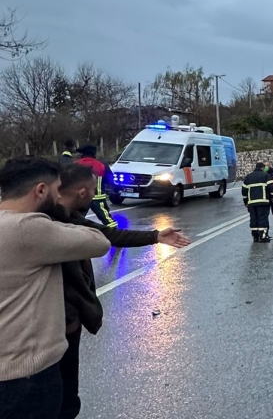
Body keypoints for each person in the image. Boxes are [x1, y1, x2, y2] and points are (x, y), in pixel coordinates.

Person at [50, 163, 191, 419]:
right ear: (82, 192)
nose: (95, 195)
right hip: (59, 321)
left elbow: (109, 234)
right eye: (93, 190)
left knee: (65, 391)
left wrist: (155, 236)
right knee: (61, 393)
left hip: (66, 320)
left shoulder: (68, 217)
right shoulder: (51, 222)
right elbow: (103, 238)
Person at [0, 157, 111, 419]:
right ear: (40, 190)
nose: (60, 195)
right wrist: (60, 211)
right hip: (27, 374)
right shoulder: (30, 229)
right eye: (57, 190)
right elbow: (99, 242)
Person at [74, 144, 117, 229]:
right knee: (108, 220)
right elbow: (110, 180)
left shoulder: (76, 164)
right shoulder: (102, 164)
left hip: (80, 197)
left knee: (76, 219)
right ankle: (117, 235)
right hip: (98, 198)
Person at [242, 163, 273, 243]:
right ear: (262, 168)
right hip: (263, 202)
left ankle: (255, 236)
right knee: (262, 218)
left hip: (251, 203)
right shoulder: (266, 175)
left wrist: (246, 202)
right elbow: (271, 188)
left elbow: (244, 191)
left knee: (254, 219)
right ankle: (263, 236)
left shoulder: (248, 177)